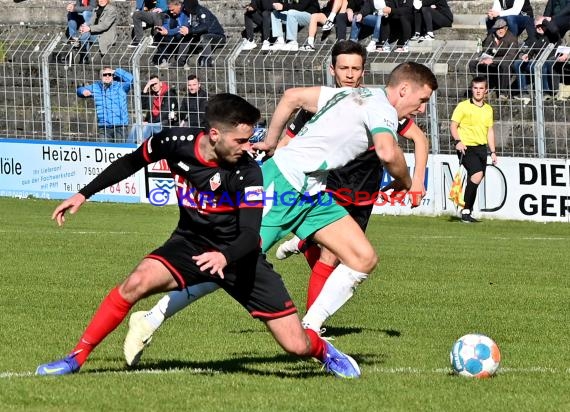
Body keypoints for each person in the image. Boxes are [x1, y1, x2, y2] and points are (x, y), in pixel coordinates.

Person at [122, 52, 436, 366]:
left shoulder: (352, 93)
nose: (421, 109)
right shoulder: (382, 108)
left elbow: (292, 97)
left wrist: (272, 141)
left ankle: (310, 330)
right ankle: (150, 317)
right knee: (231, 264)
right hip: (283, 185)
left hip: (311, 191)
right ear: (404, 90)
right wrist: (407, 180)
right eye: (422, 100)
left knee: (362, 258)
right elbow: (386, 150)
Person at [35, 93, 360, 379]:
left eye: (250, 140)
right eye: (241, 141)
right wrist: (83, 194)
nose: (249, 148)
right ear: (214, 134)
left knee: (295, 344)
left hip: (241, 258)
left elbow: (250, 234)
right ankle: (75, 358)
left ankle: (323, 351)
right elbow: (132, 162)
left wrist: (225, 256)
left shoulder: (248, 171)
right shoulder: (172, 143)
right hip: (188, 244)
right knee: (134, 283)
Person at [450, 76, 498, 223]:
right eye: (475, 88)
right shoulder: (463, 106)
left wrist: (493, 151)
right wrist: (458, 141)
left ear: (486, 91)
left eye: (481, 88)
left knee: (477, 178)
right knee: (477, 175)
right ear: (472, 89)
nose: (478, 91)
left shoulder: (488, 109)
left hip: (481, 148)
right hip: (466, 147)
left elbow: (489, 131)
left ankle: (466, 210)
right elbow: (453, 125)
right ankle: (465, 211)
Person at [77, 66, 133, 143]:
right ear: (101, 77)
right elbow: (79, 90)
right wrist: (83, 91)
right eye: (105, 74)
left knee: (121, 151)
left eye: (109, 74)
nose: (107, 76)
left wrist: (116, 71)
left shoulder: (120, 86)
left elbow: (131, 80)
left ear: (113, 76)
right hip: (104, 127)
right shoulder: (96, 87)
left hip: (120, 125)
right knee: (105, 151)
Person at [468, 18, 519, 99]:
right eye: (497, 29)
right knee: (473, 63)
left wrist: (493, 60)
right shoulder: (491, 36)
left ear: (506, 28)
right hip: (491, 60)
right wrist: (482, 58)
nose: (500, 31)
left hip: (505, 62)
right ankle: (484, 86)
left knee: (505, 65)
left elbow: (510, 56)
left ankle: (503, 93)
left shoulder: (512, 39)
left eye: (501, 28)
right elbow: (485, 49)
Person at [127, 75, 178, 144]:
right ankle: (129, 147)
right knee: (136, 125)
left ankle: (141, 147)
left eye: (155, 83)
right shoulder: (152, 95)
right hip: (153, 122)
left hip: (164, 123)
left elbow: (163, 114)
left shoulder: (169, 95)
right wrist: (145, 88)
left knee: (148, 127)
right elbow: (142, 106)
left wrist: (149, 122)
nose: (154, 86)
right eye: (152, 85)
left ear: (160, 83)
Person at [177, 0, 226, 68]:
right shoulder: (191, 14)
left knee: (204, 37)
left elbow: (204, 26)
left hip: (217, 36)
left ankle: (207, 61)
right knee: (187, 37)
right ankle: (180, 62)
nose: (184, 8)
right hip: (201, 37)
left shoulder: (202, 11)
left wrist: (189, 30)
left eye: (185, 6)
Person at [151, 0, 190, 68]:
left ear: (179, 6)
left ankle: (181, 62)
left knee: (183, 37)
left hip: (185, 35)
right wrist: (163, 29)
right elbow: (167, 23)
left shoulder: (186, 13)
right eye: (170, 10)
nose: (171, 12)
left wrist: (168, 32)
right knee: (163, 36)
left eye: (172, 10)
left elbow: (183, 28)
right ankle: (161, 60)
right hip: (173, 34)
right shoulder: (169, 13)